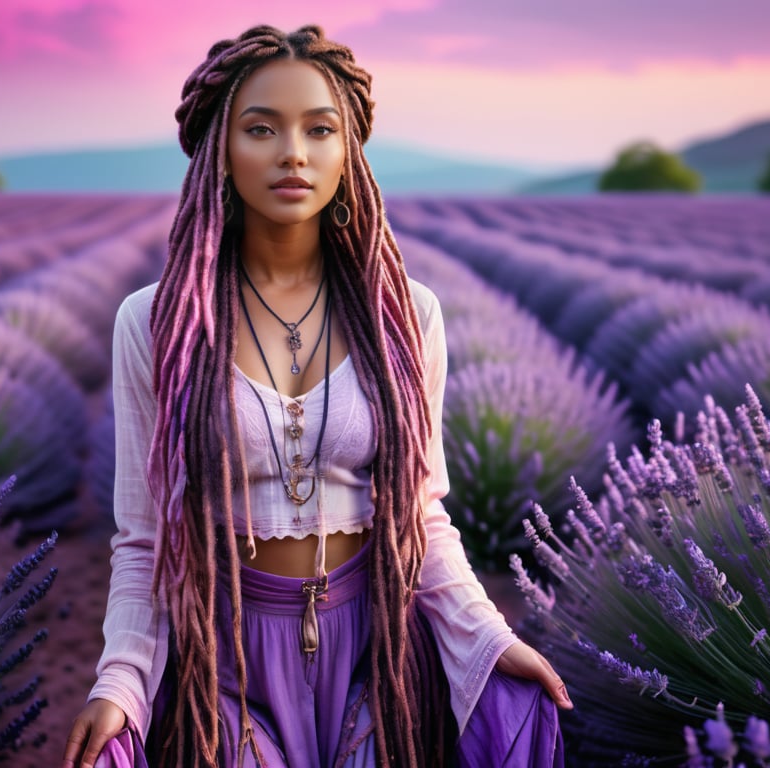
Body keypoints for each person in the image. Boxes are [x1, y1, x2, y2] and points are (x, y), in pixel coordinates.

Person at [62, 24, 570, 768]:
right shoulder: (156, 321)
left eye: (319, 129)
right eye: (261, 129)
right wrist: (120, 680)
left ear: (348, 153)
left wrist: (490, 637)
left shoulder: (404, 315)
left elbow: (422, 512)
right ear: (219, 152)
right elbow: (145, 539)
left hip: (376, 648)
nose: (293, 153)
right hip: (227, 655)